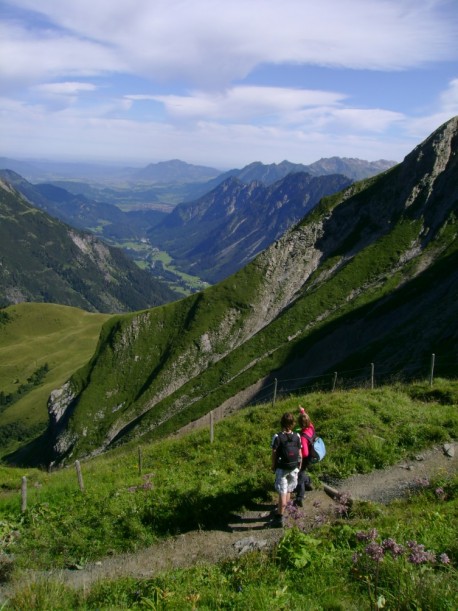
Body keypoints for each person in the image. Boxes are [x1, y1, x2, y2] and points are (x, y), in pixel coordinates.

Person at [270, 412, 302, 527]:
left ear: (281, 423)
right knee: (288, 490)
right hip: (293, 467)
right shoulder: (297, 436)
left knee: (282, 493)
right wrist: (299, 465)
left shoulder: (277, 437)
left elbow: (274, 453)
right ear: (293, 423)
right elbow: (300, 452)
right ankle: (285, 511)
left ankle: (279, 518)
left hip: (282, 468)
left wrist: (273, 465)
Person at [294, 406, 314, 507]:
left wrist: (299, 454)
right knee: (302, 473)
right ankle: (308, 482)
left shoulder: (303, 437)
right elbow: (306, 420)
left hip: (305, 458)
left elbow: (305, 453)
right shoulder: (311, 427)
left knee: (300, 475)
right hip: (311, 455)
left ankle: (300, 497)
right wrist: (302, 411)